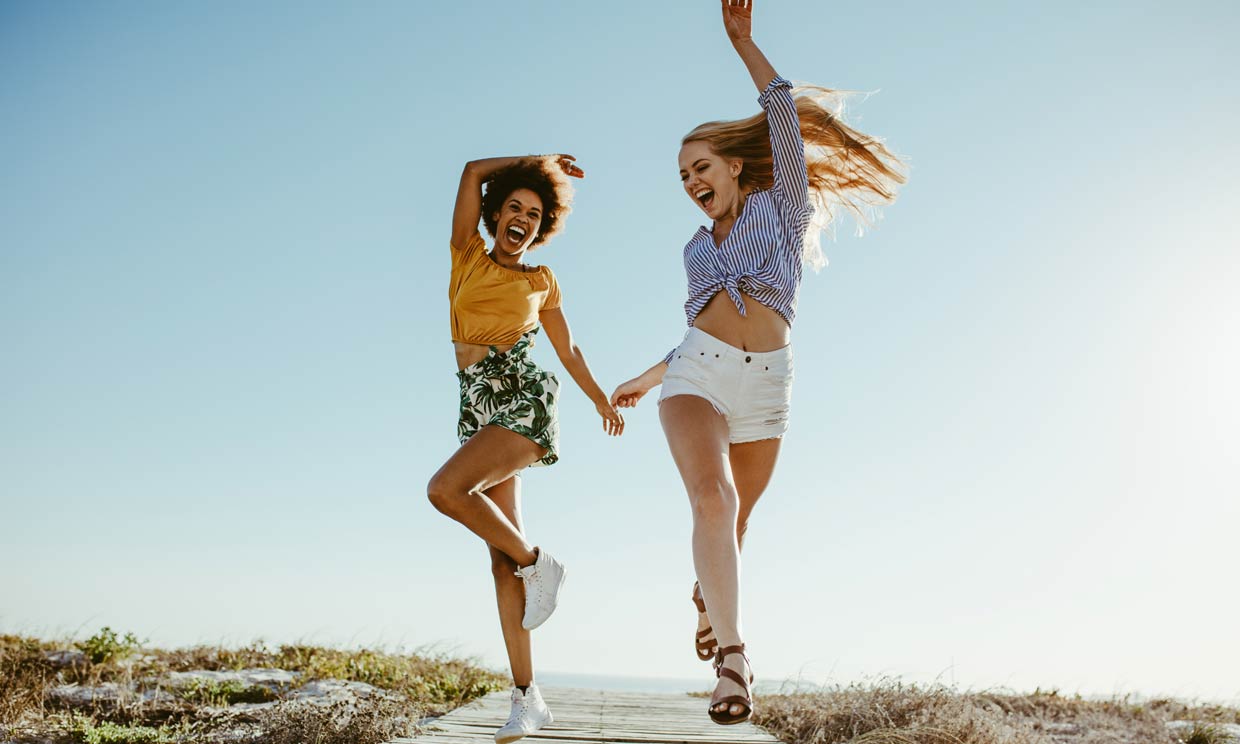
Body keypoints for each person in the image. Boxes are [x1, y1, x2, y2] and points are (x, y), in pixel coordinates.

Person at [610, 0, 906, 725]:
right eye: (682, 175)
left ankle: (707, 597)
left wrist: (744, 45)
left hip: (768, 383)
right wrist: (651, 379)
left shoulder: (782, 209)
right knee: (716, 502)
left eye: (700, 167)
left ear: (734, 167)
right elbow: (694, 330)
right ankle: (734, 663)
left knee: (735, 527)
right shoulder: (692, 249)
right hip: (697, 377)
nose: (690, 181)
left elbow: (781, 109)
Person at [429, 153, 625, 743]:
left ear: (542, 228)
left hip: (522, 399)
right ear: (494, 215)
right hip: (477, 407)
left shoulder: (542, 280)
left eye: (534, 214)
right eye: (514, 207)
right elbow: (467, 170)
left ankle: (542, 563)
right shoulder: (466, 254)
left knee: (445, 490)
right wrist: (537, 161)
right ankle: (526, 697)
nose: (522, 218)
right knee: (499, 559)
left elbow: (569, 352)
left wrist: (598, 400)